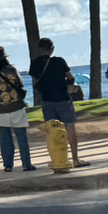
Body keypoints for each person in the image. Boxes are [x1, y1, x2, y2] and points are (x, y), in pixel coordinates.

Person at [29, 37, 86, 167]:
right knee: (70, 126)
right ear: (53, 49)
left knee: (52, 130)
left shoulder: (34, 63)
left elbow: (35, 83)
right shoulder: (60, 61)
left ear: (39, 49)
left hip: (47, 99)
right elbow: (70, 78)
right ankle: (75, 159)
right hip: (62, 97)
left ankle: (56, 159)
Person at [0, 44, 35, 173]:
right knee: (21, 137)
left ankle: (8, 165)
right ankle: (26, 164)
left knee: (5, 139)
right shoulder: (11, 69)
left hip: (0, 109)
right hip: (16, 106)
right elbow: (20, 83)